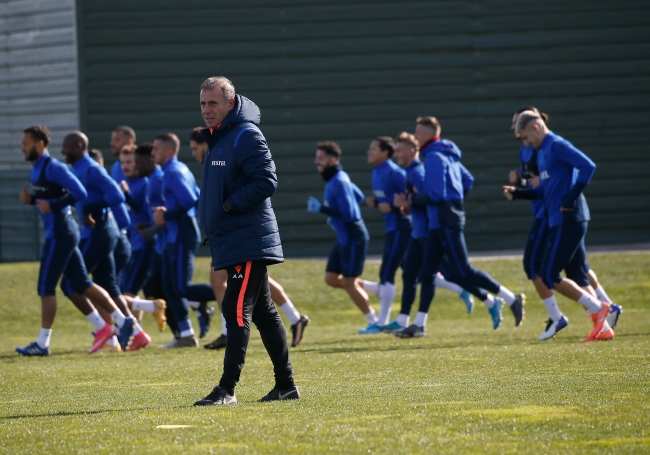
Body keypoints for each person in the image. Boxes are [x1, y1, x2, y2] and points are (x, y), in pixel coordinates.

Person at [194, 76, 297, 406]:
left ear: (230, 102)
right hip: (232, 239)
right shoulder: (219, 138)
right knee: (264, 313)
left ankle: (227, 389)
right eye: (203, 103)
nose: (207, 110)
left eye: (213, 103)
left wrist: (228, 207)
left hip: (248, 239)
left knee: (235, 308)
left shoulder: (246, 135)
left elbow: (266, 181)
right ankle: (286, 386)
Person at [398, 116, 525, 337]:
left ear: (428, 135)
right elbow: (468, 180)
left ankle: (510, 298)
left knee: (463, 271)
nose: (415, 137)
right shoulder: (447, 155)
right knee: (427, 273)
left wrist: (412, 200)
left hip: (445, 221)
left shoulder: (434, 158)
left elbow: (436, 195)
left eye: (417, 133)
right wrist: (455, 200)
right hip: (441, 221)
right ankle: (419, 324)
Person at [506, 107, 621, 340]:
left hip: (569, 218)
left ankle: (600, 309)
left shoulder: (556, 145)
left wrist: (570, 198)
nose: (527, 143)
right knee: (576, 272)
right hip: (558, 219)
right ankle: (603, 326)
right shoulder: (541, 152)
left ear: (535, 127)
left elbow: (588, 166)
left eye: (527, 137)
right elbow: (544, 191)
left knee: (548, 274)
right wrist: (518, 193)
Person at [190, 127, 310, 349]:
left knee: (224, 279)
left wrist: (226, 207)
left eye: (195, 148)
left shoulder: (227, 154)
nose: (194, 153)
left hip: (237, 230)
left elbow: (263, 182)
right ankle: (294, 318)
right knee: (257, 281)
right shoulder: (214, 162)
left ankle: (229, 332)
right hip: (226, 232)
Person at [59, 131, 150, 352]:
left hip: (99, 232)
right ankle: (138, 334)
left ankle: (105, 328)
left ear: (79, 146)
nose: (63, 151)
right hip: (99, 233)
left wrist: (89, 208)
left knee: (70, 284)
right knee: (108, 285)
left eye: (67, 147)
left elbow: (117, 195)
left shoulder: (92, 169)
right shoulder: (76, 169)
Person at [387, 133, 474, 334]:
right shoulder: (413, 170)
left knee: (455, 272)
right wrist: (409, 205)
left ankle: (489, 298)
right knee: (415, 275)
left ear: (412, 151)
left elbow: (433, 198)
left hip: (429, 232)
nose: (396, 154)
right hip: (420, 233)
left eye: (399, 150)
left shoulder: (420, 170)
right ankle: (407, 321)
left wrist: (410, 202)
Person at [151, 133, 216, 348]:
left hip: (182, 235)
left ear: (169, 151)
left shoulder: (173, 172)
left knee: (180, 287)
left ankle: (229, 292)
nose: (153, 152)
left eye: (157, 149)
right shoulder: (177, 169)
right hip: (174, 235)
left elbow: (190, 199)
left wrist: (166, 215)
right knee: (169, 287)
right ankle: (186, 335)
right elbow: (196, 195)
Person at [308, 141, 380, 334]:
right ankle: (375, 289)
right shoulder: (337, 178)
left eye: (321, 158)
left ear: (332, 160)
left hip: (353, 237)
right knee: (331, 278)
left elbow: (348, 214)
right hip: (344, 238)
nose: (317, 162)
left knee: (349, 282)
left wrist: (322, 209)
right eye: (317, 158)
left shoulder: (339, 181)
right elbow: (359, 196)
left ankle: (374, 321)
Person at [116, 144, 167, 331]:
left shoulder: (145, 182)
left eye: (130, 162)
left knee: (128, 292)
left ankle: (131, 331)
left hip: (143, 244)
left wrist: (127, 195)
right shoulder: (126, 182)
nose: (126, 166)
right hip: (131, 244)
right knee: (139, 292)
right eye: (123, 162)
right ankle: (136, 331)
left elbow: (145, 213)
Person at [364, 136, 412, 330]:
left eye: (373, 149)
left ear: (385, 152)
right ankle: (461, 290)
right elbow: (387, 200)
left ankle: (381, 323)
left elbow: (410, 197)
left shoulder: (395, 172)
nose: (369, 152)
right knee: (416, 272)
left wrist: (391, 205)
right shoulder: (376, 172)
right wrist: (377, 203)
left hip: (402, 227)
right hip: (392, 228)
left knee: (387, 272)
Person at [108, 127, 136, 295]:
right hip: (122, 231)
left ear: (129, 142)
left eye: (116, 140)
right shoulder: (115, 167)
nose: (112, 143)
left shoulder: (141, 170)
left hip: (139, 233)